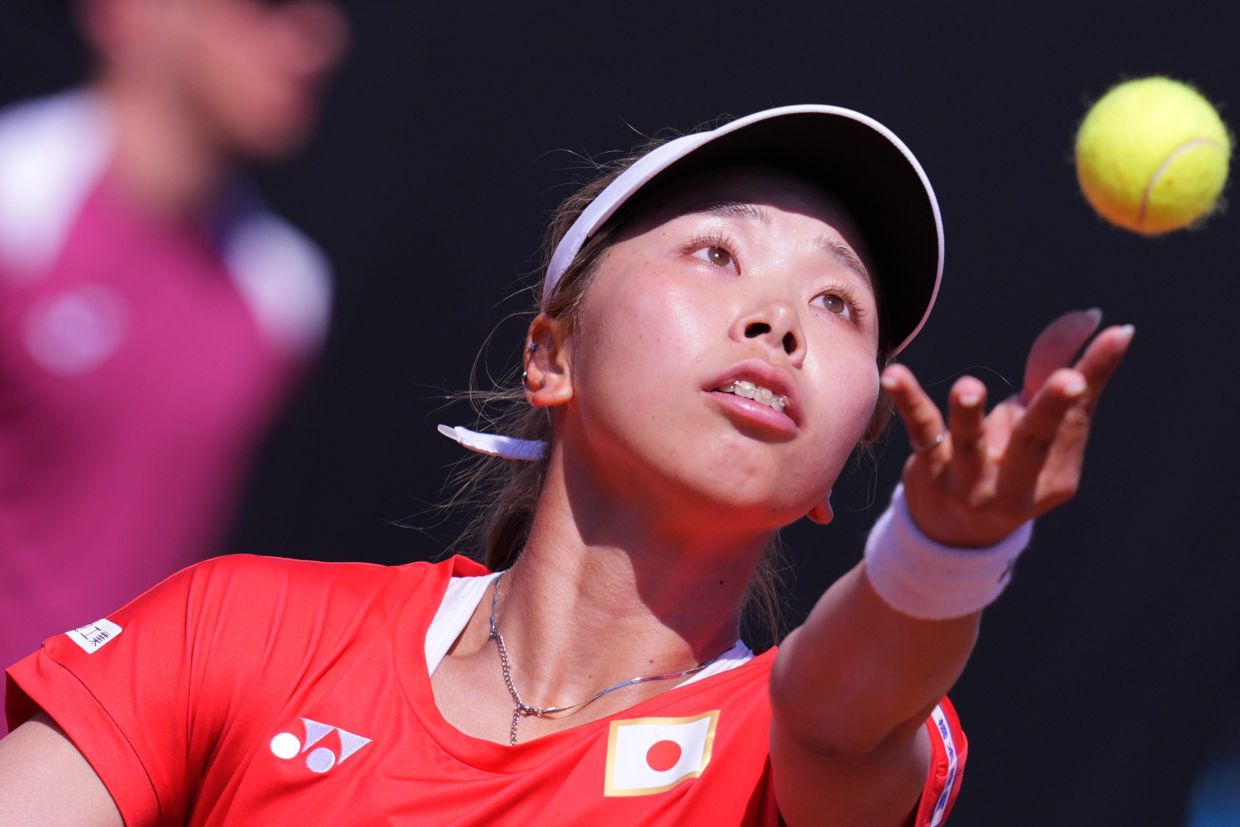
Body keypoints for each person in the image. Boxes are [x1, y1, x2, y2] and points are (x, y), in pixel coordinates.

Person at [0, 103, 1132, 825]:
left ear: (839, 469)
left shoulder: (791, 745)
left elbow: (835, 716)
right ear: (550, 355)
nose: (781, 320)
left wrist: (946, 551)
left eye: (837, 303)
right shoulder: (241, 628)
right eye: (716, 251)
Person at [0, 0, 349, 717]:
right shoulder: (14, 212)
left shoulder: (284, 295)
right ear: (125, 13)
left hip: (101, 772)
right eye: (270, 7)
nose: (319, 41)